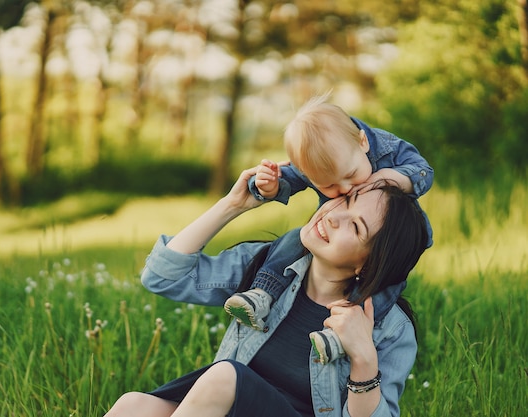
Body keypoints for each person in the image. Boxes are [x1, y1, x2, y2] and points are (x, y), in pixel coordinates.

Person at [104, 166, 429, 417]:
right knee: (133, 406)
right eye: (346, 200)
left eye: (356, 227)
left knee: (225, 377)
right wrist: (232, 205)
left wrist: (363, 358)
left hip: (229, 391)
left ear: (369, 264)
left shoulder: (389, 328)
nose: (334, 217)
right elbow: (161, 277)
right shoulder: (267, 271)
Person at [223, 93, 434, 364]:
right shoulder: (316, 161)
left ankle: (350, 329)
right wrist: (269, 186)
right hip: (341, 230)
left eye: (349, 175)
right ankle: (262, 292)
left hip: (391, 241)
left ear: (363, 142)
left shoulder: (386, 147)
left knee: (384, 282)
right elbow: (288, 178)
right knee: (292, 241)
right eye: (328, 186)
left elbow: (424, 171)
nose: (345, 189)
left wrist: (394, 177)